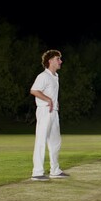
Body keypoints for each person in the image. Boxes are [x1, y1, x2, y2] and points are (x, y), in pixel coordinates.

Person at [30, 49, 69, 181]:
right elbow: (34, 90)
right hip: (44, 111)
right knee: (41, 141)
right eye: (58, 59)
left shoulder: (55, 76)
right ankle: (37, 172)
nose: (60, 61)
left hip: (54, 112)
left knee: (55, 142)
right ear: (50, 61)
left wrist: (54, 102)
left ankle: (55, 170)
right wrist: (48, 100)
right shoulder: (43, 76)